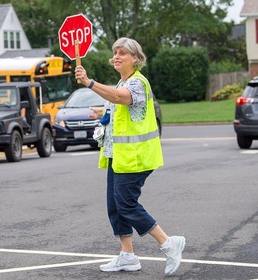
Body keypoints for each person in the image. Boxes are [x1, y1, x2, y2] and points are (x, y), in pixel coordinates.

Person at [74, 37, 185, 276]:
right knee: (115, 206)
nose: (116, 56)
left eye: (122, 53)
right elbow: (118, 106)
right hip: (120, 156)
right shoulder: (123, 81)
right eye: (115, 52)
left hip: (136, 157)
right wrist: (101, 112)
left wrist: (89, 82)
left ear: (136, 58)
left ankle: (169, 243)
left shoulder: (137, 83)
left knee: (126, 204)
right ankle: (128, 256)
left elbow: (119, 97)